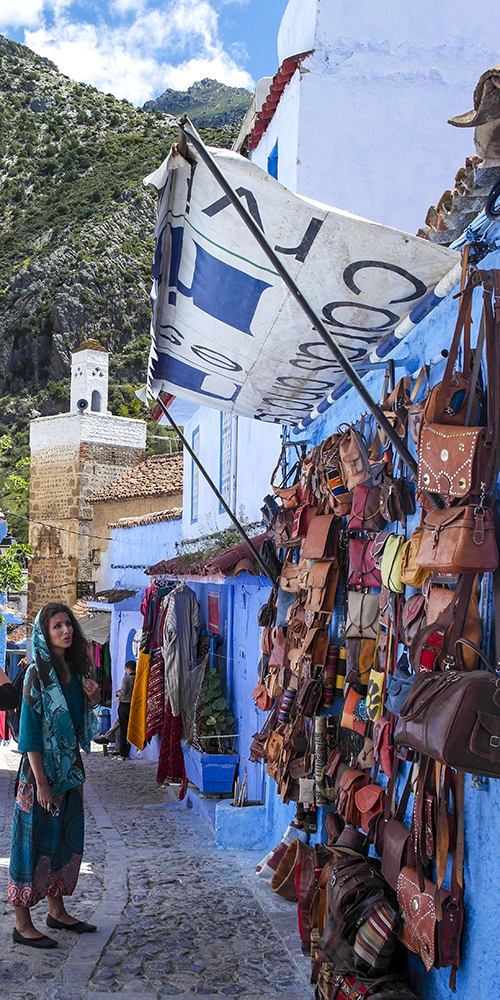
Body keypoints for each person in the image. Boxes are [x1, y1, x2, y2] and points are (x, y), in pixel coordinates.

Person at [8, 602, 100, 949]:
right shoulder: (36, 674)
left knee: (64, 842)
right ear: (44, 635)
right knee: (30, 844)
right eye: (57, 626)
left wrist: (95, 697)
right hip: (39, 775)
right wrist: (41, 782)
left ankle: (57, 911)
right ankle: (21, 923)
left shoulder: (73, 673)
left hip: (69, 771)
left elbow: (78, 726)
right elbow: (30, 732)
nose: (66, 631)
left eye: (68, 625)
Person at [116, 659, 136, 761]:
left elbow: (123, 691)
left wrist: (117, 693)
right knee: (131, 729)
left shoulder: (126, 679)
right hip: (134, 707)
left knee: (123, 729)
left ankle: (122, 754)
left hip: (124, 705)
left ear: (128, 669)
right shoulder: (138, 679)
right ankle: (128, 751)